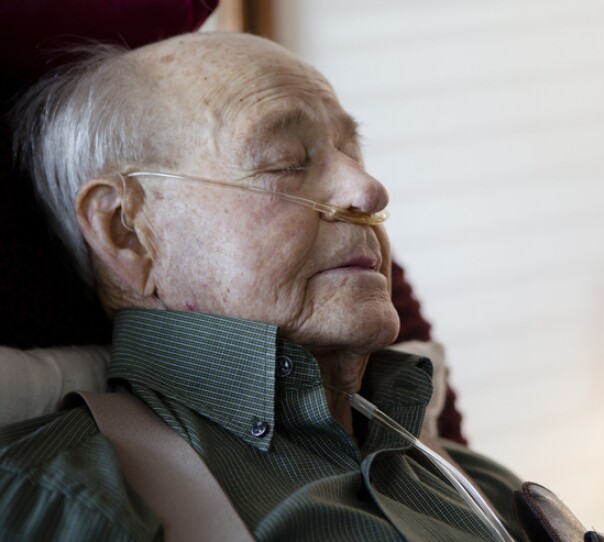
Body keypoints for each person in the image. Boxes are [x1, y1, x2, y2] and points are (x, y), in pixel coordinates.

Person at [0, 32, 531, 541]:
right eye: (285, 162)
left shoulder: (487, 485)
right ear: (129, 233)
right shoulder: (60, 499)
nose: (369, 191)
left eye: (354, 154)